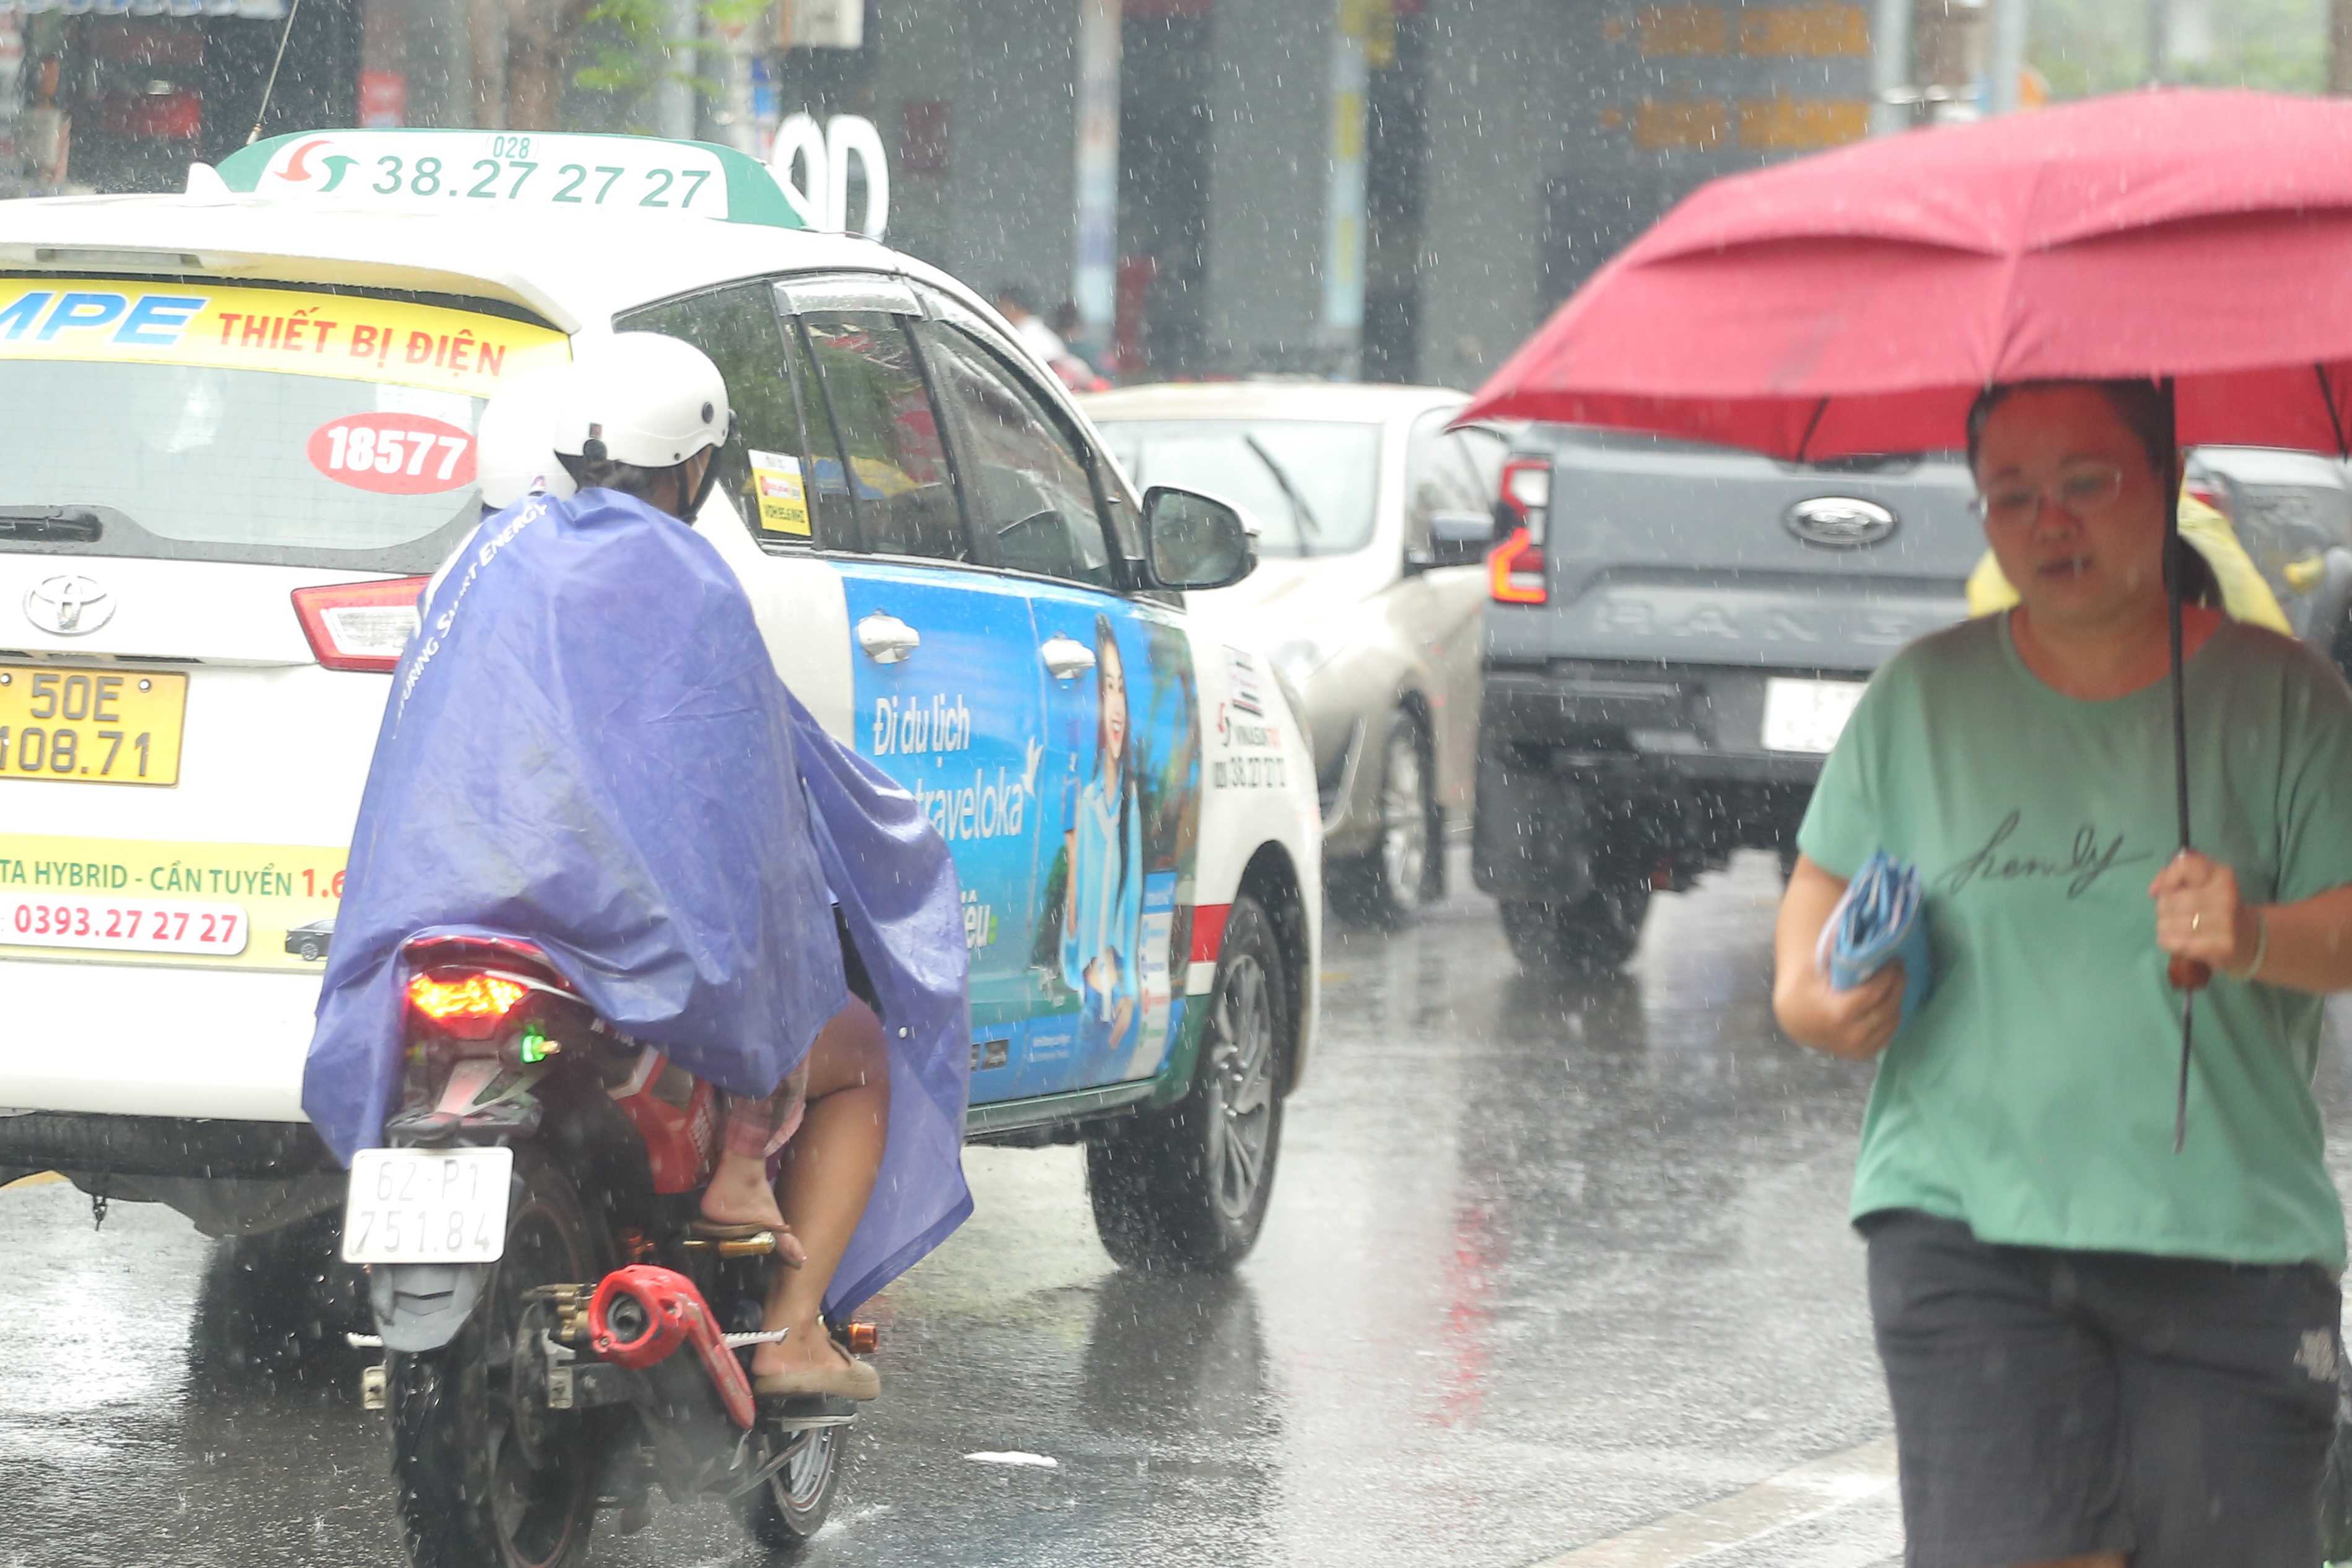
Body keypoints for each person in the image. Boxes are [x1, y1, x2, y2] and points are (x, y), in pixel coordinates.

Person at [1772, 378, 2352, 1568]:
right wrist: (1823, 1006)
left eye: (2086, 484)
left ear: (2166, 478)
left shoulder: (2285, 698)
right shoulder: (1920, 698)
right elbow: (1811, 919)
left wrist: (2249, 935)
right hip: (1965, 1232)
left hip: (2228, 1239)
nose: (2050, 522)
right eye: (2012, 495)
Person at [545, 338, 893, 1402]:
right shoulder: (694, 590)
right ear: (692, 469)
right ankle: (789, 1334)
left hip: (503, 938)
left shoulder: (493, 570)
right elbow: (749, 835)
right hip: (642, 967)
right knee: (862, 1055)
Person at [1061, 614, 1143, 1077]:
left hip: (1119, 996)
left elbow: (1130, 902)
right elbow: (1071, 919)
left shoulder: (1126, 806)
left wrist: (1128, 987)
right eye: (1104, 690)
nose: (1115, 708)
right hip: (1089, 1001)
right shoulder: (1082, 801)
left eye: (1120, 689)